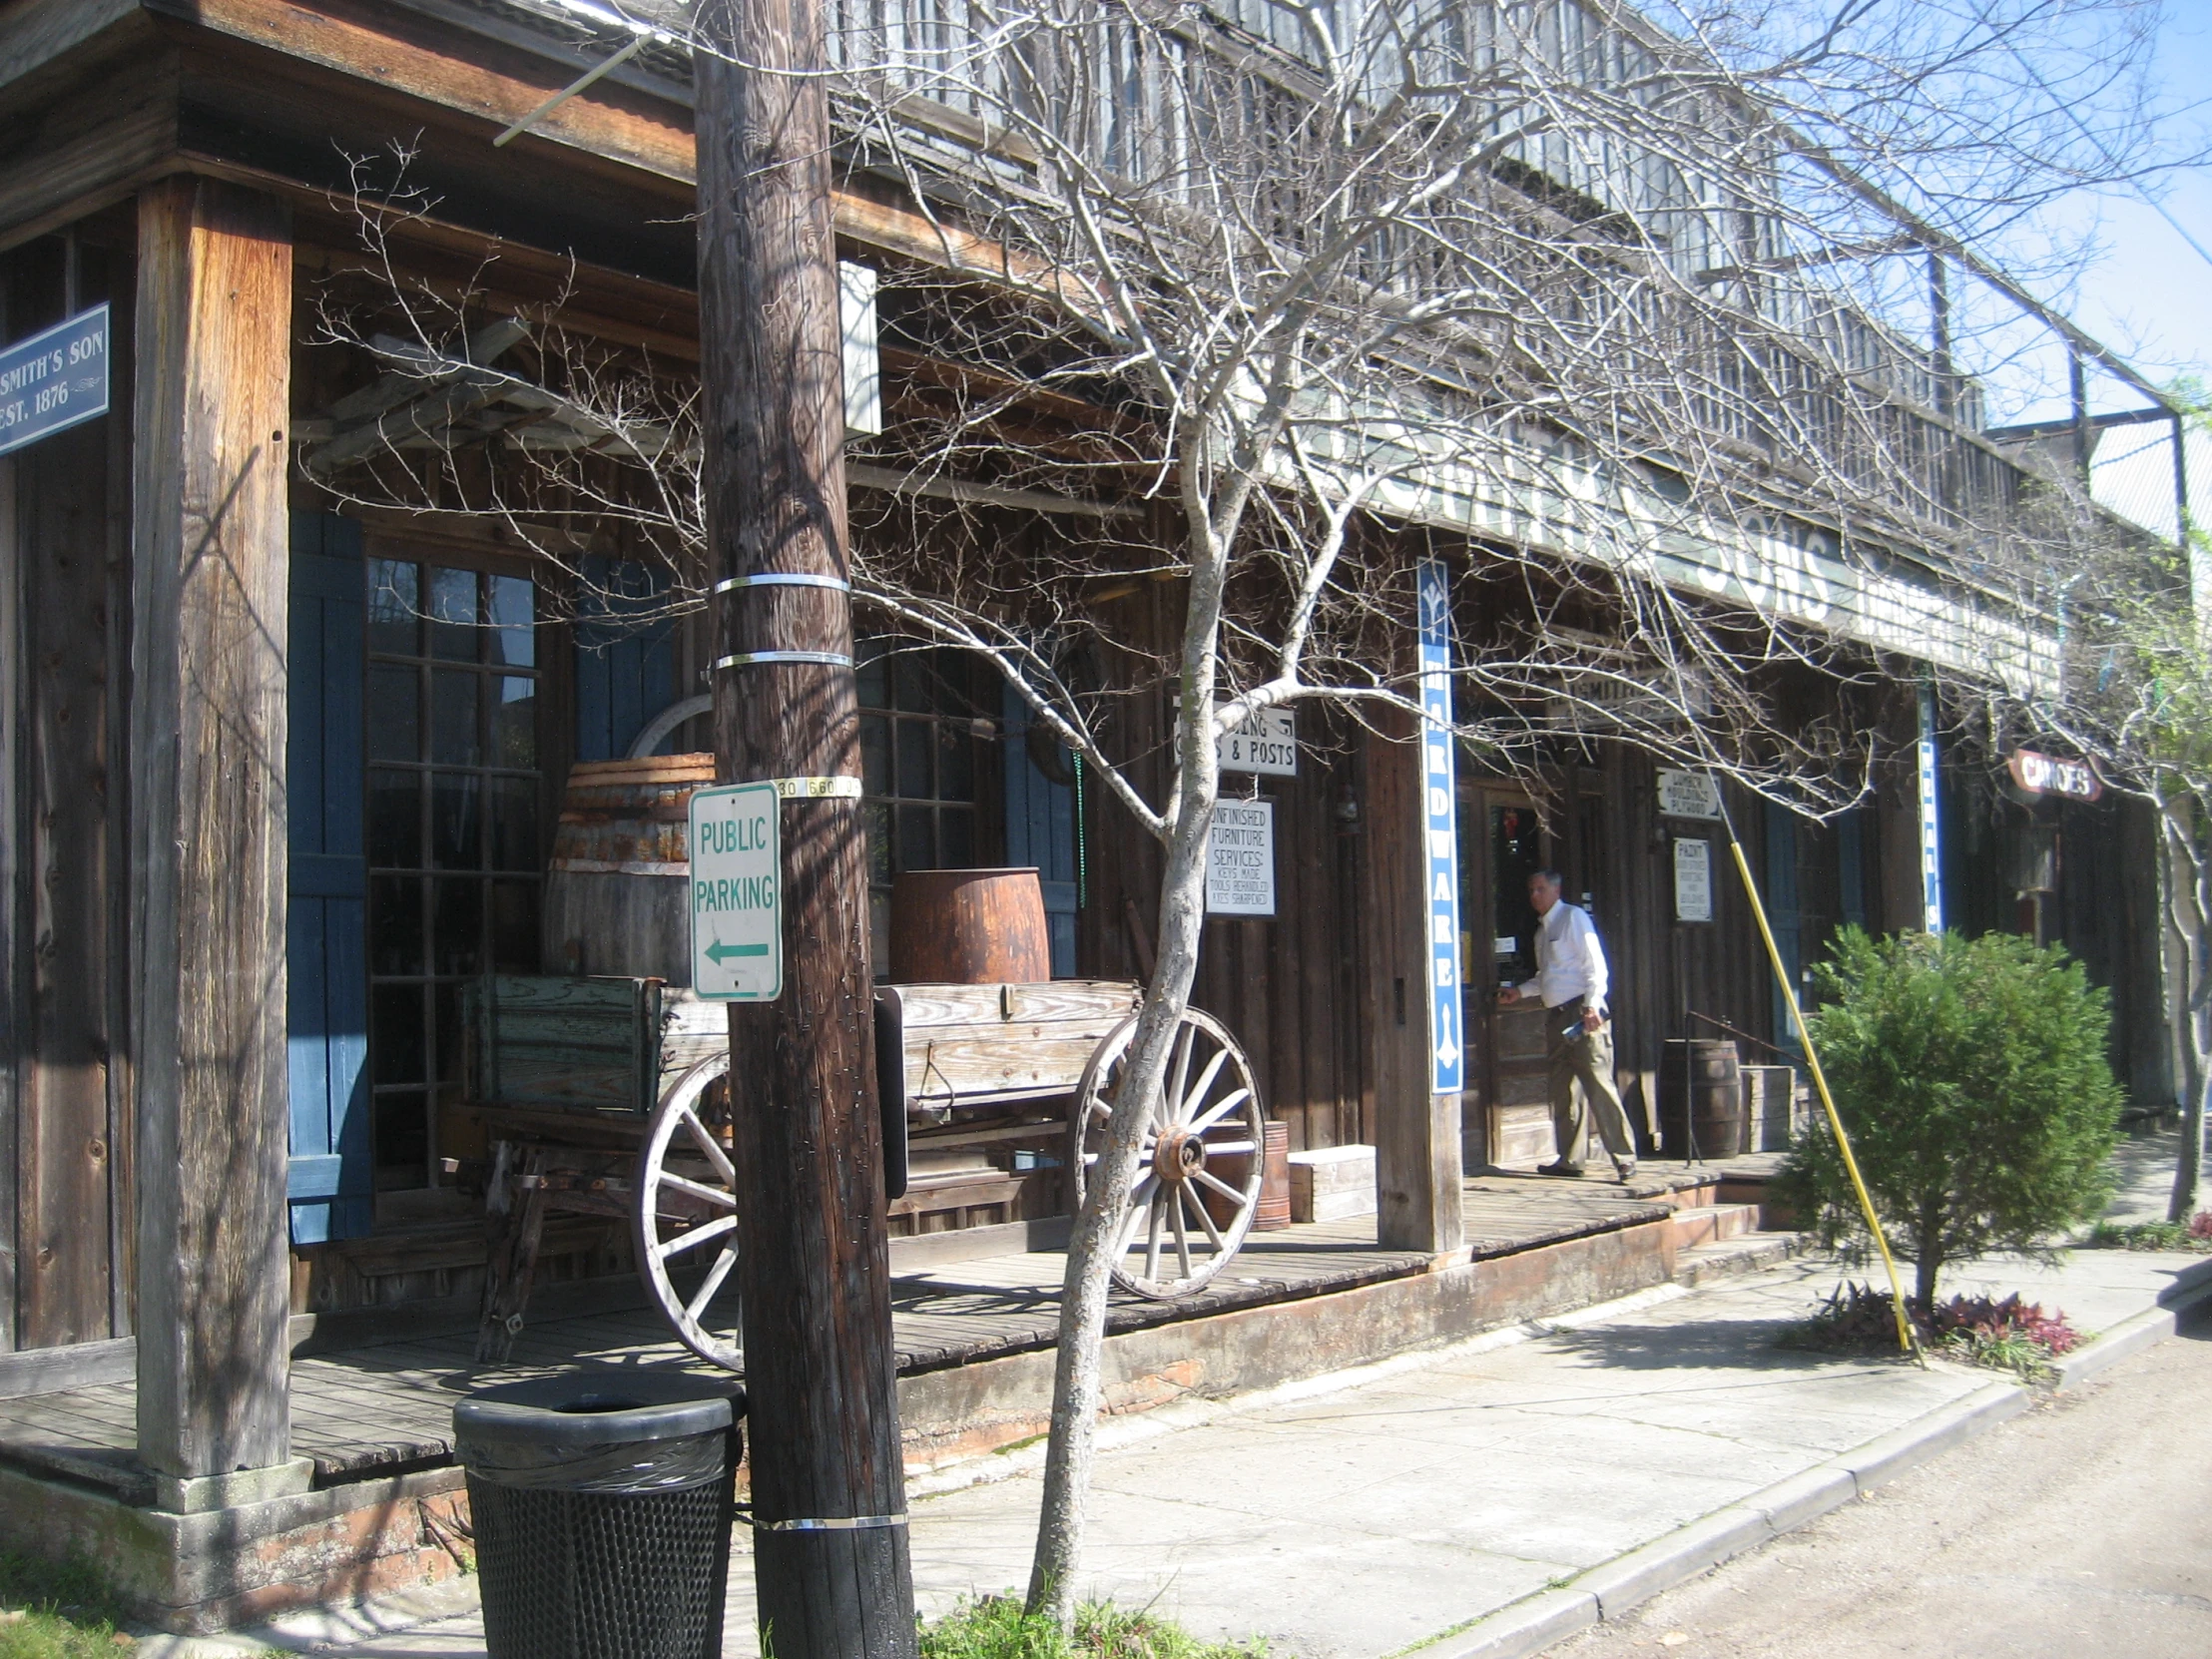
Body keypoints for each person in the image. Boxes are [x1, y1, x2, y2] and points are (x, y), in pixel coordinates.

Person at [1495, 869, 1637, 1183]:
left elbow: (1595, 966)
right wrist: (1521, 992)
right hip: (1556, 1015)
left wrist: (1593, 1003)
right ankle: (1571, 1159)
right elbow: (1548, 977)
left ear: (1556, 890)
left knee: (1599, 1084)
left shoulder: (1573, 919)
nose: (1535, 895)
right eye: (1531, 890)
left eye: (1540, 889)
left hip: (1582, 1012)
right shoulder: (1541, 932)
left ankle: (1625, 1158)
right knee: (1563, 1091)